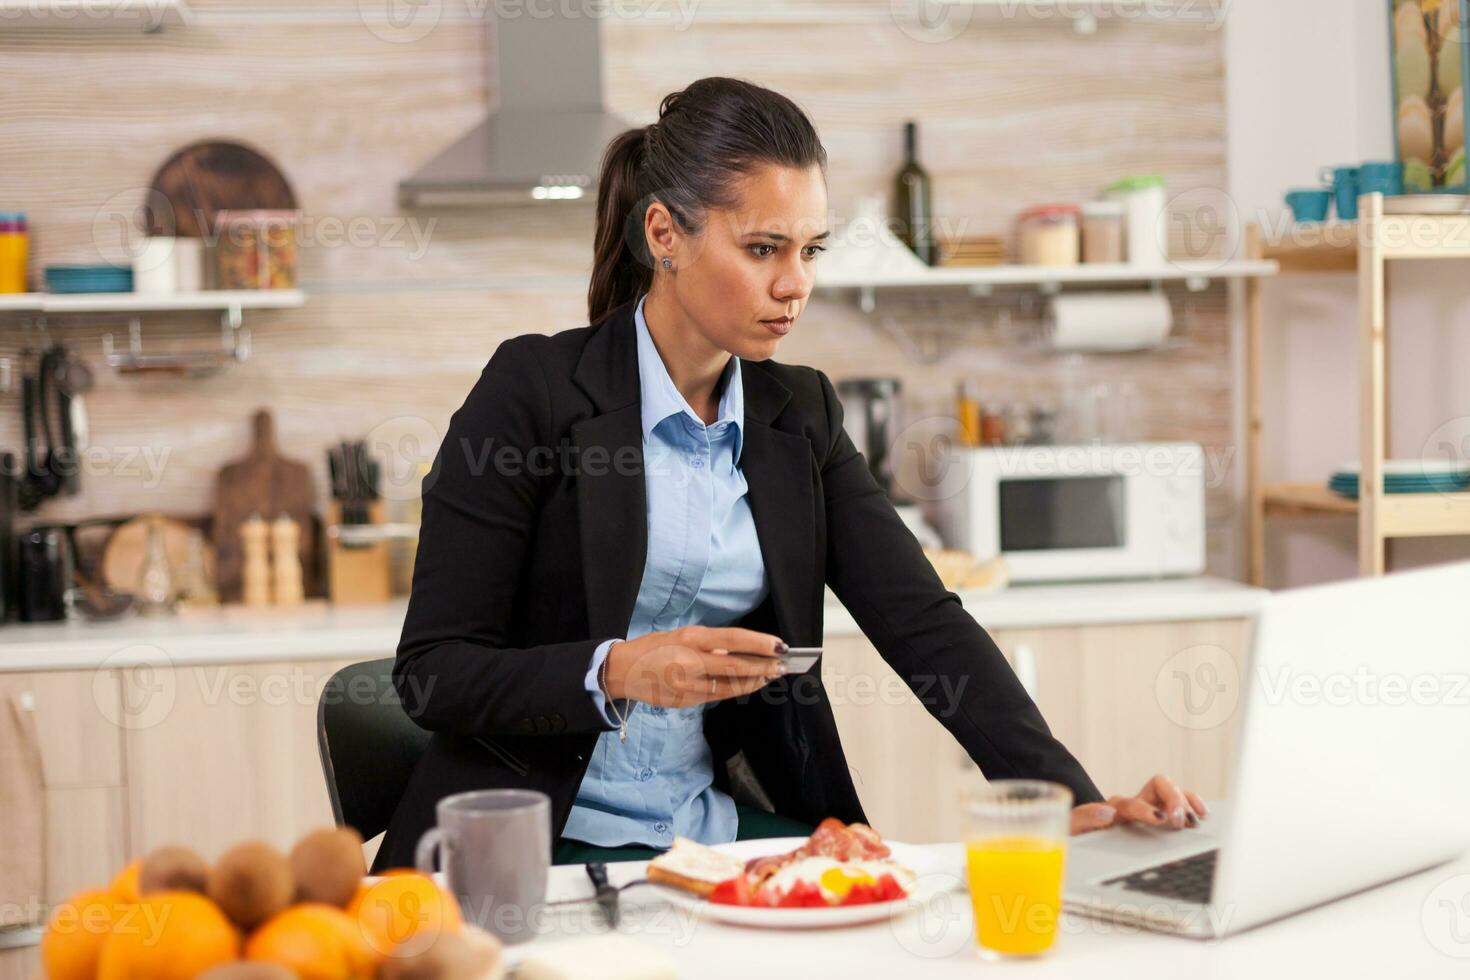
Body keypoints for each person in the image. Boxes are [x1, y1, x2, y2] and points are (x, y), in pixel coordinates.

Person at [374, 77, 1206, 870]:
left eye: (811, 250)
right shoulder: (536, 392)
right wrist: (618, 669)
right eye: (764, 248)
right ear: (664, 234)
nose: (795, 284)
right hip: (531, 835)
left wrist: (1065, 801)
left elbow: (923, 623)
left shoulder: (798, 414)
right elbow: (434, 671)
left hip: (711, 833)